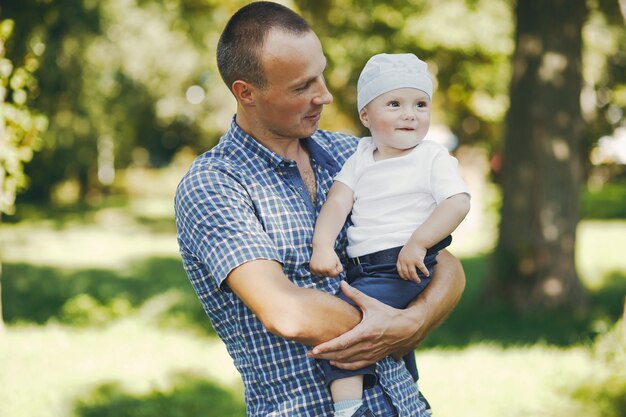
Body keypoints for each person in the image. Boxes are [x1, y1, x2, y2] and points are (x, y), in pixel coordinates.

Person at [174, 2, 466, 416]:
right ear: (246, 92)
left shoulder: (357, 154)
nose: (324, 96)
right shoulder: (215, 185)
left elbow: (446, 265)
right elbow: (285, 311)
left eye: (321, 74)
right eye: (301, 87)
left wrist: (413, 323)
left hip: (404, 406)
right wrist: (392, 325)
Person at [309, 53, 471, 417]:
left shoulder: (432, 157)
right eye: (394, 104)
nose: (410, 114)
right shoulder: (362, 154)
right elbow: (338, 201)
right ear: (366, 116)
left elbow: (457, 202)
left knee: (345, 319)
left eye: (420, 104)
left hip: (403, 262)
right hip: (362, 267)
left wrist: (419, 241)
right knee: (382, 324)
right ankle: (404, 380)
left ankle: (346, 407)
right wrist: (322, 244)